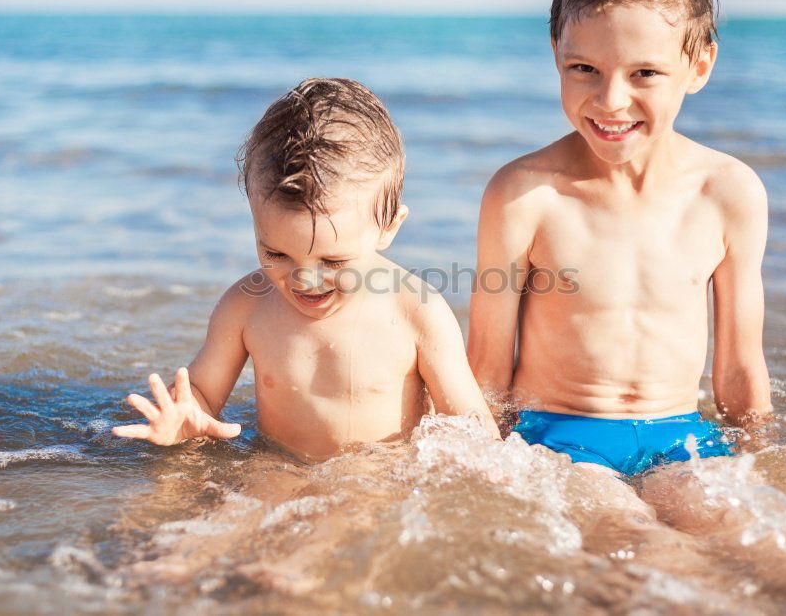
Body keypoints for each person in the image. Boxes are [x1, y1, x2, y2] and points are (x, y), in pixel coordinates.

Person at [468, 0, 772, 478]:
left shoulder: (728, 193)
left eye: (645, 73)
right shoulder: (523, 195)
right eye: (583, 68)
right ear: (555, 54)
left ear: (698, 66)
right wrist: (480, 465)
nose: (610, 100)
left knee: (747, 544)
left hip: (682, 436)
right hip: (557, 435)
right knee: (631, 543)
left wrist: (761, 462)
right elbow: (487, 368)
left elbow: (741, 367)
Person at [113, 77, 499, 461]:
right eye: (276, 254)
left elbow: (469, 420)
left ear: (389, 228)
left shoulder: (416, 311)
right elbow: (203, 390)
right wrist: (186, 417)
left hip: (380, 479)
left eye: (333, 261)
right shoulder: (246, 306)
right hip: (277, 465)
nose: (304, 280)